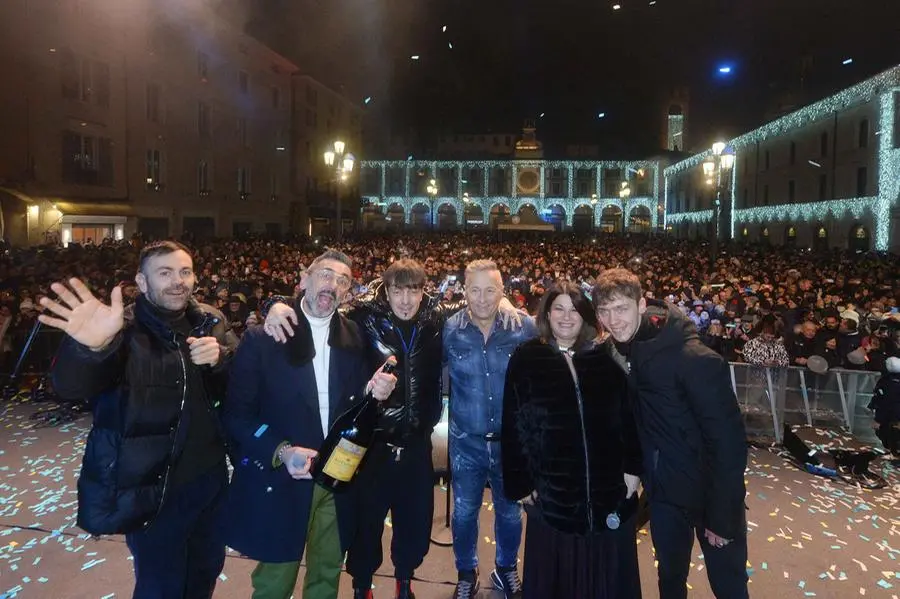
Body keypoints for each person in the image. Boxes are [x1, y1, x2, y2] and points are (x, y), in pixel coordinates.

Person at [263, 258, 522, 599]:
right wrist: (274, 304)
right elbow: (320, 305)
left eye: (412, 291)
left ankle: (404, 585)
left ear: (422, 291)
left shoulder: (435, 316)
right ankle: (361, 588)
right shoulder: (365, 316)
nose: (405, 300)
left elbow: (478, 300)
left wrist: (502, 299)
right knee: (365, 526)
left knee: (413, 524)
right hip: (373, 445)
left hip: (415, 442)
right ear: (387, 290)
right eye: (398, 291)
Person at [41, 240, 235, 599]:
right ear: (142, 282)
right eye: (164, 273)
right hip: (154, 487)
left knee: (205, 572)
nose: (178, 281)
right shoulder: (122, 328)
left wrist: (222, 358)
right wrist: (92, 348)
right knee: (161, 585)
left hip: (209, 481)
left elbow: (238, 385)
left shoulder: (211, 319)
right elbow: (70, 385)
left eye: (185, 271)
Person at [222, 249, 397, 599]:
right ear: (305, 278)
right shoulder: (263, 337)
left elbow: (352, 402)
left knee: (326, 576)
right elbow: (235, 415)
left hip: (334, 477)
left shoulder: (354, 337)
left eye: (343, 280)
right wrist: (281, 451)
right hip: (283, 475)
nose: (333, 285)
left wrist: (373, 390)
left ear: (348, 291)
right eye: (326, 275)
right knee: (274, 581)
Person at [593, 268, 749, 599]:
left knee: (729, 587)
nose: (613, 320)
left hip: (711, 496)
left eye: (620, 309)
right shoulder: (624, 350)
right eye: (604, 312)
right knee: (671, 580)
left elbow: (729, 444)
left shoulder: (693, 358)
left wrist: (722, 516)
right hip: (665, 495)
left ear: (641, 304)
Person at [501, 281, 643, 599]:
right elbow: (513, 425)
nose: (567, 317)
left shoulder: (606, 357)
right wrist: (521, 484)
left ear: (586, 316)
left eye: (575, 310)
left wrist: (633, 469)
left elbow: (628, 418)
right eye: (559, 309)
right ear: (547, 314)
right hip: (554, 498)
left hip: (608, 493)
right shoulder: (527, 358)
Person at [443, 259, 538, 599]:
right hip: (465, 442)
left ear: (503, 291)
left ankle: (505, 568)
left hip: (510, 444)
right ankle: (466, 572)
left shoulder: (524, 327)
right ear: (464, 291)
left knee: (511, 514)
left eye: (491, 290)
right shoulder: (448, 329)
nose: (482, 298)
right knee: (465, 513)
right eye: (475, 290)